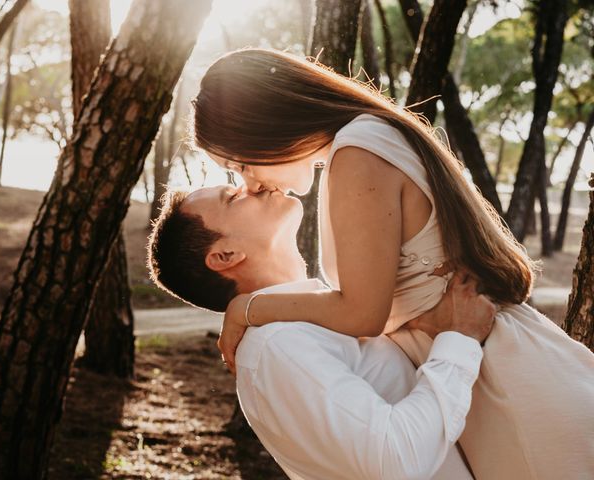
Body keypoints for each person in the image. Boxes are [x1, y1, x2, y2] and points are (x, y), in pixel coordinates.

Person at [189, 48, 594, 479]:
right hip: (489, 373)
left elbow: (362, 312)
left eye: (240, 163)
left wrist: (248, 308)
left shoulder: (358, 153)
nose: (250, 181)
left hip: (508, 382)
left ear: (262, 123)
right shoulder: (365, 141)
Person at [147, 184, 495, 478]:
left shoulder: (314, 322)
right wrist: (459, 340)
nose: (254, 185)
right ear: (225, 255)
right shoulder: (278, 346)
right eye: (233, 197)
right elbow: (395, 459)